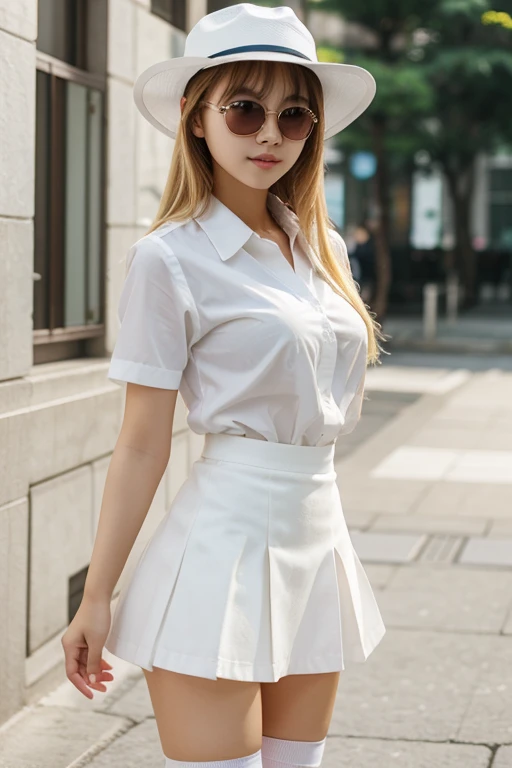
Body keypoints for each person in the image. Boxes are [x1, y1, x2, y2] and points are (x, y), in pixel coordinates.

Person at [61, 4, 388, 767]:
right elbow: (142, 444)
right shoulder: (168, 259)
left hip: (318, 538)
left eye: (294, 114)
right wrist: (97, 595)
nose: (270, 133)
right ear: (195, 116)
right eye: (244, 109)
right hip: (222, 549)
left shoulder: (323, 246)